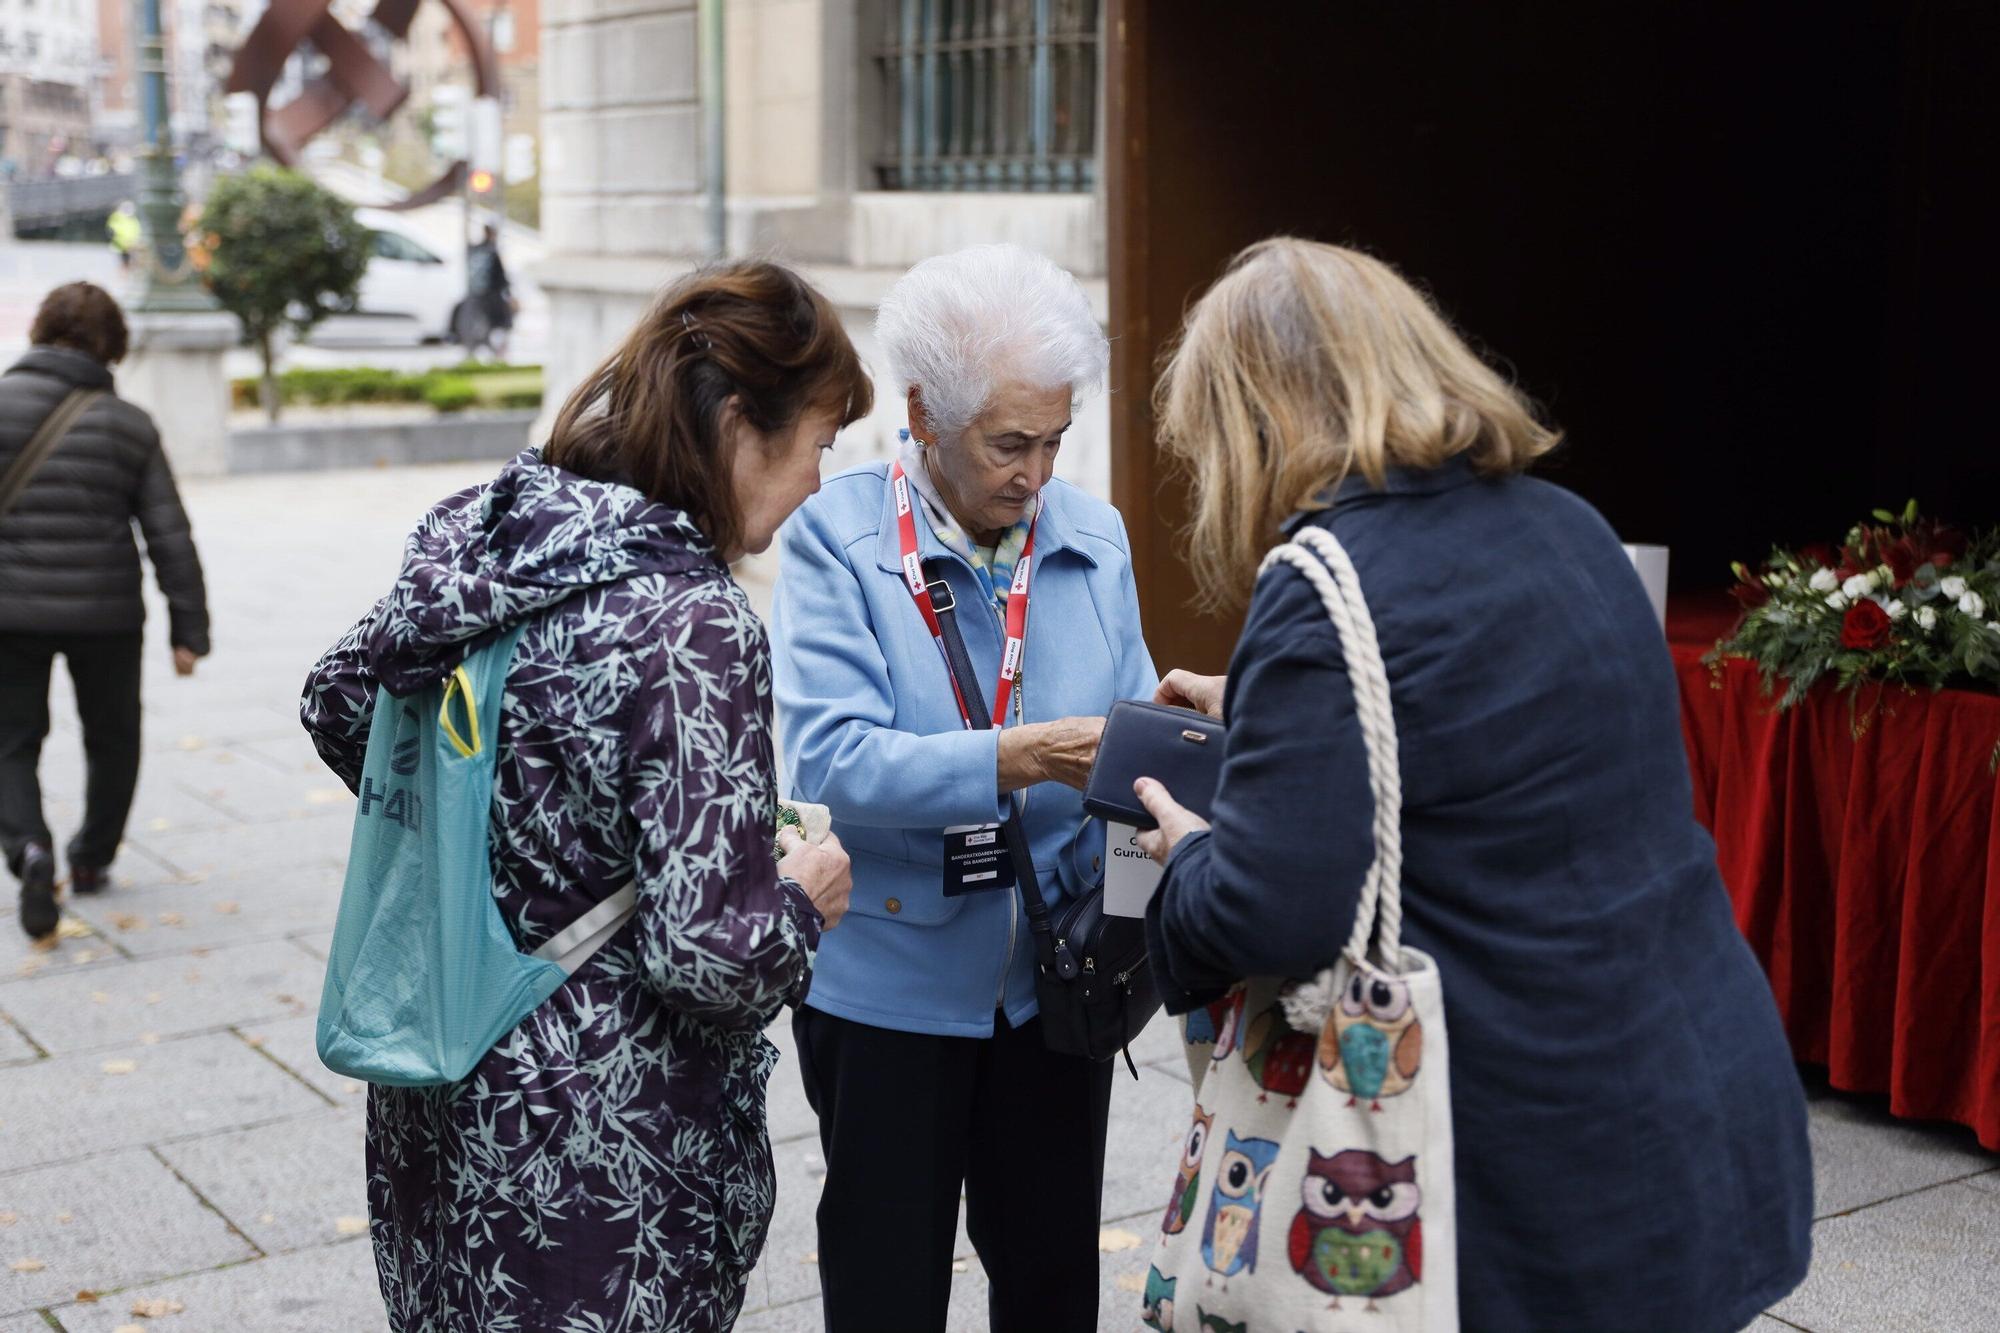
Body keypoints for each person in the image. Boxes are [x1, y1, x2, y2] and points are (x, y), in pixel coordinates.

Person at [1132, 238, 1812, 1331]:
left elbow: (1268, 909)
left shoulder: (1323, 581)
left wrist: (1186, 850)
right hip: (1694, 1107)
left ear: (1248, 419)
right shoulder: (1567, 525)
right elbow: (1501, 753)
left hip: (1524, 1167)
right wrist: (1274, 717)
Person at [299, 261, 865, 1332]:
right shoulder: (689, 619)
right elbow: (710, 952)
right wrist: (798, 897)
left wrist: (491, 836)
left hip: (445, 1078)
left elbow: (340, 702)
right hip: (601, 1138)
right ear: (742, 421)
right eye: (822, 441)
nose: (817, 484)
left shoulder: (491, 533)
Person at [770, 243, 1157, 1332]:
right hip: (885, 979)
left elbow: (1127, 740)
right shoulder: (835, 539)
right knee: (885, 1281)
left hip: (1054, 975)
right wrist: (1022, 754)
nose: (1035, 474)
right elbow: (829, 759)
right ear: (924, 415)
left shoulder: (1091, 535)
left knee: (1048, 1281)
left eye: (1054, 440)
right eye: (1007, 444)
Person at [0, 282, 209, 940]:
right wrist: (189, 628)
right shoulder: (130, 424)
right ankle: (91, 859)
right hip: (107, 614)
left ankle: (31, 848)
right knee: (113, 738)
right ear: (112, 344)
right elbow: (168, 532)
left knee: (10, 741)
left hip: (10, 613)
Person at [462, 223, 515, 358]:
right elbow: (501, 276)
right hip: (492, 296)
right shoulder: (491, 252)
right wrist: (509, 294)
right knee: (500, 324)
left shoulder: (474, 250)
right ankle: (497, 352)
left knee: (481, 324)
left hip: (475, 295)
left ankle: (481, 349)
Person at [106, 202, 141, 271]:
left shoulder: (133, 220)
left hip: (130, 245)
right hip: (119, 246)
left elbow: (136, 232)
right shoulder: (115, 217)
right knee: (122, 263)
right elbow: (112, 232)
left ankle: (125, 276)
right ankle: (122, 277)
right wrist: (123, 243)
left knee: (129, 263)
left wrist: (133, 242)